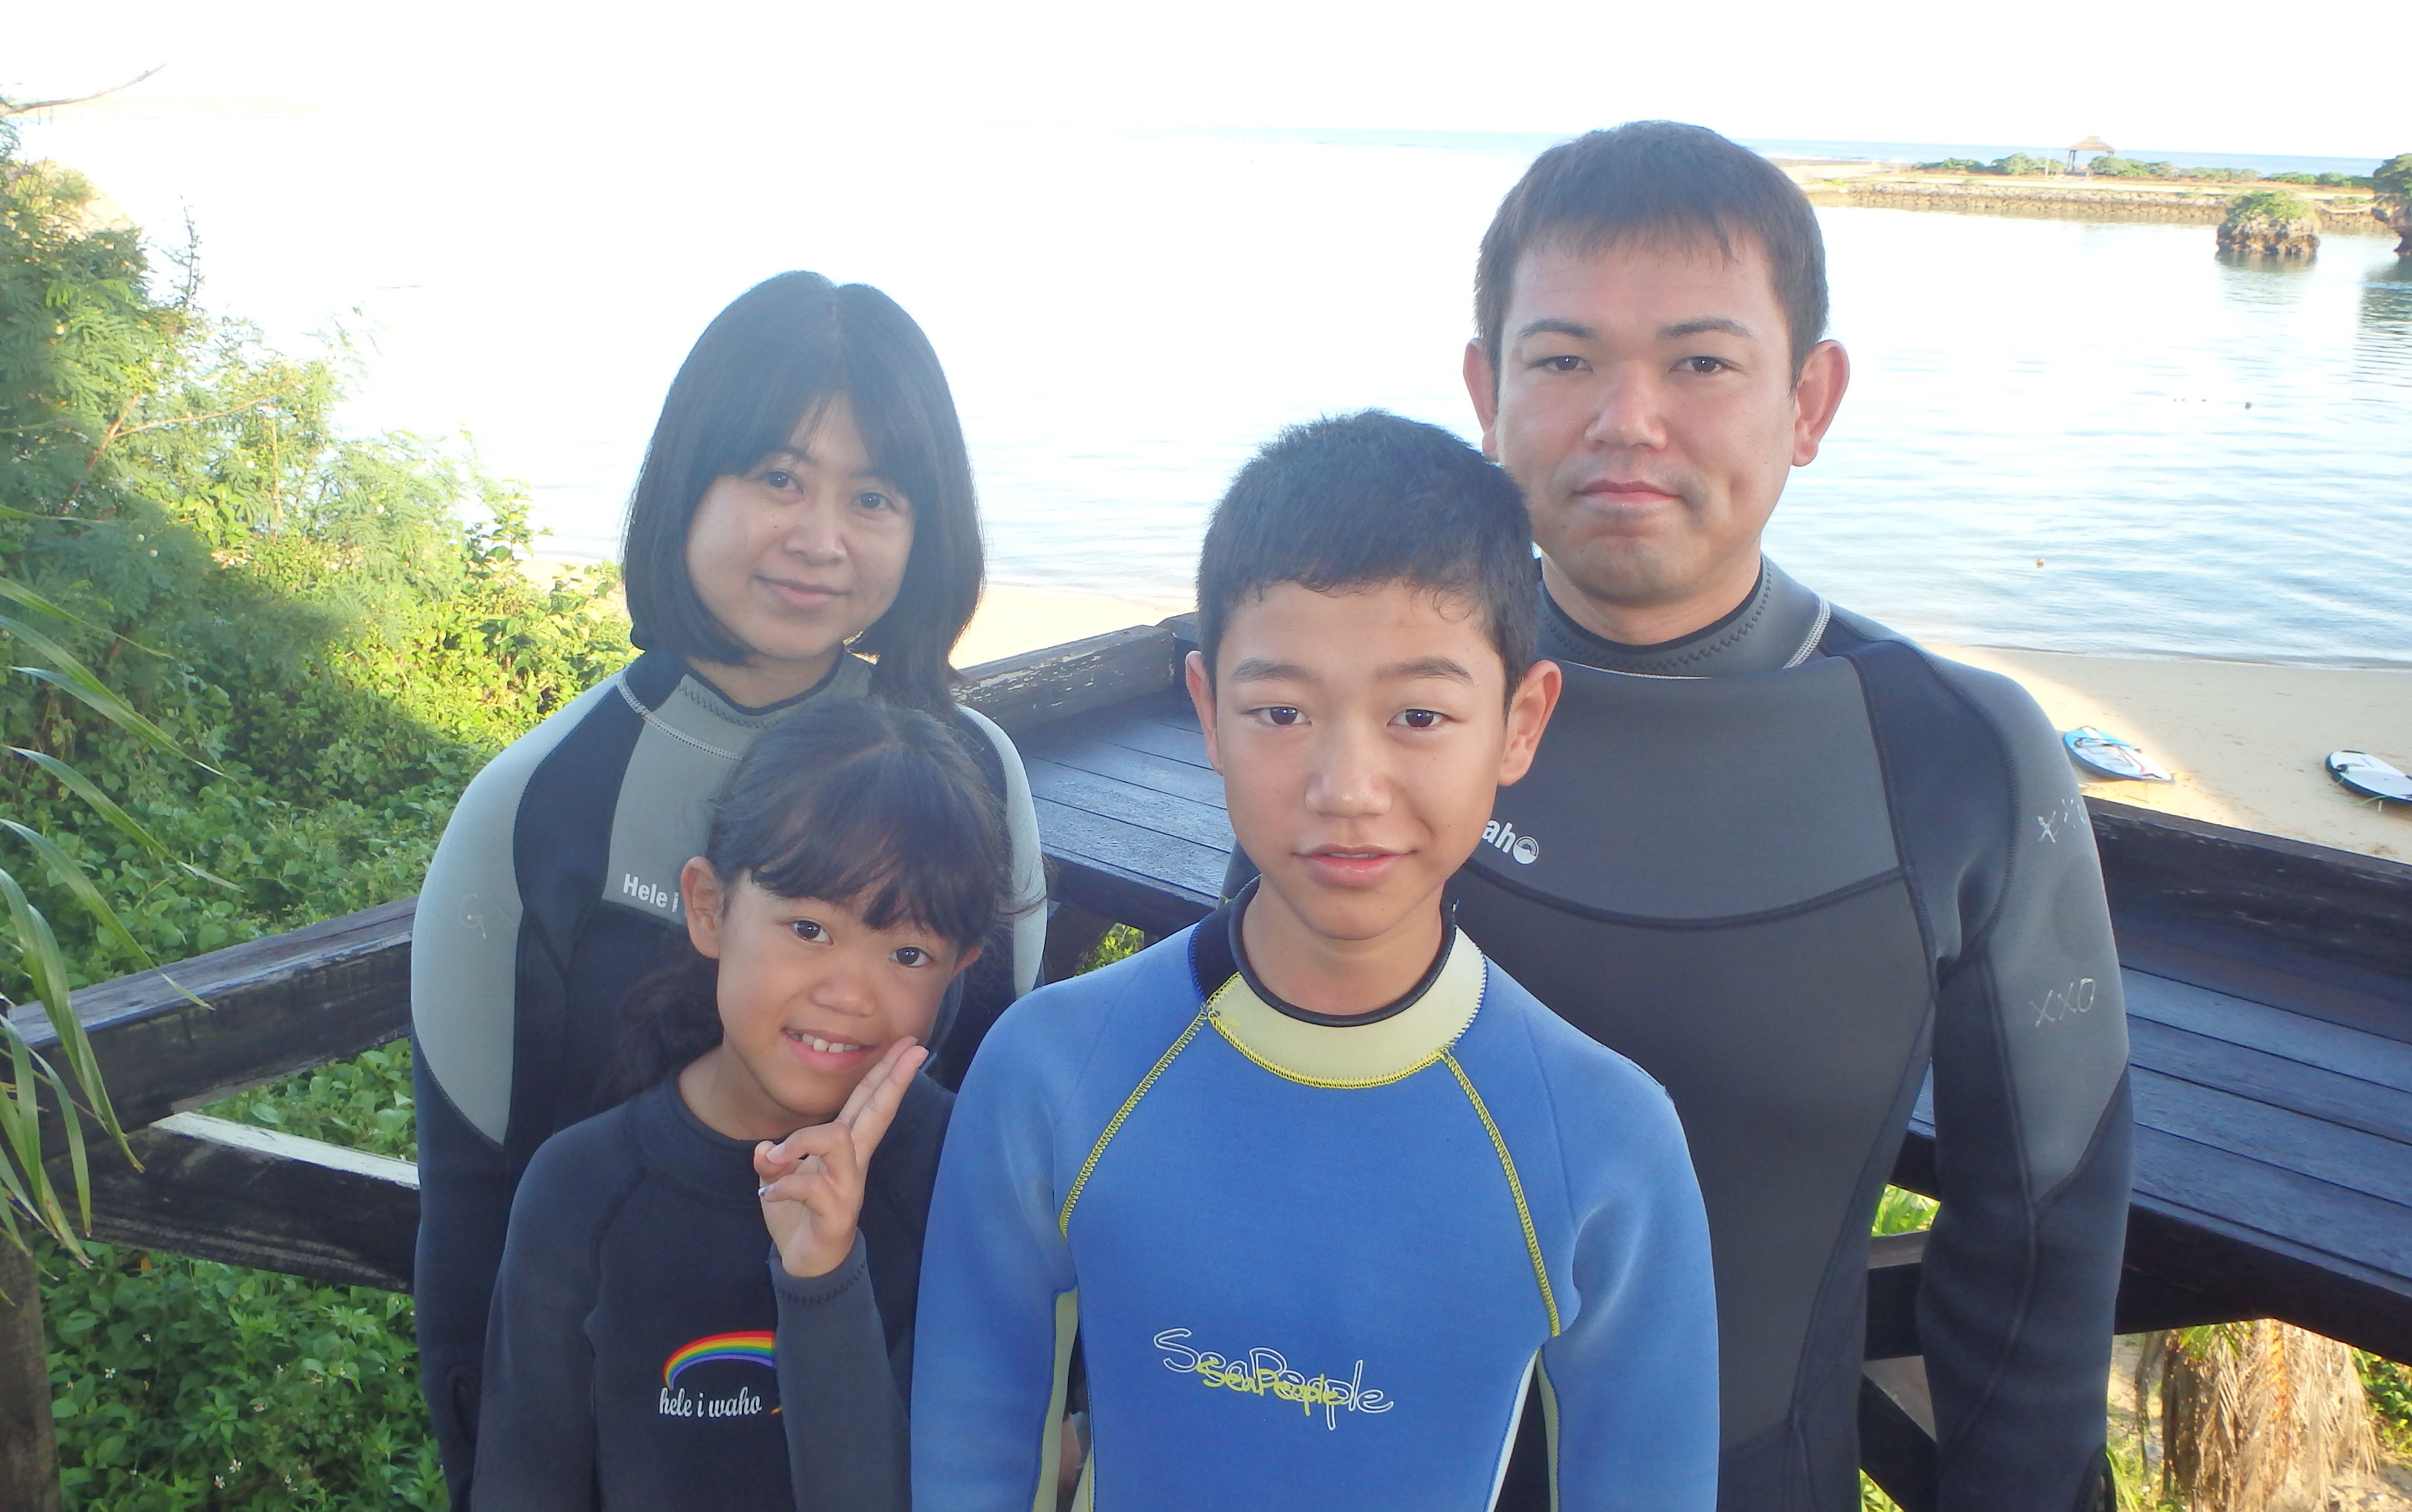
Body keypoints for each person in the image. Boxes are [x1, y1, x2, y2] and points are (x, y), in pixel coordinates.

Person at [1449, 122, 2131, 1512]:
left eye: (1701, 363)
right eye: (1563, 360)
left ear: (1809, 402)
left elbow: (2043, 1241)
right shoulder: (1379, 709)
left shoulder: (1951, 758)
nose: (1626, 418)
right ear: (1487, 393)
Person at [910, 411, 1719, 1512]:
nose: (1347, 786)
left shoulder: (1606, 1141)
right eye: (1282, 711)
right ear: (1207, 711)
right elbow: (968, 1455)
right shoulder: (1050, 1071)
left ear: (1521, 722)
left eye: (1419, 714)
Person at [412, 272, 1050, 1506]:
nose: (821, 538)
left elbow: (990, 1155)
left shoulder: (970, 776)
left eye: (875, 496)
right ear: (687, 484)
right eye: (778, 477)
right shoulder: (541, 801)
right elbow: (472, 1213)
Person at [472, 696, 1013, 1512]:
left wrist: (824, 1281)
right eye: (808, 929)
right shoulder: (581, 1189)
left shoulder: (966, 1178)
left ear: (957, 969)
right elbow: (524, 1482)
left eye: (908, 953)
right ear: (710, 908)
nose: (849, 995)